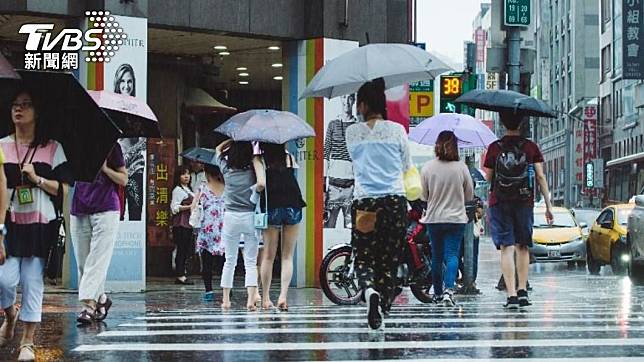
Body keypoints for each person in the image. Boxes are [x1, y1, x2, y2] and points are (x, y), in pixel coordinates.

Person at [0, 89, 72, 361]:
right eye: (15, 105)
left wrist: (38, 179)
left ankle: (27, 342)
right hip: (8, 223)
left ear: (37, 112)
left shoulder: (52, 148)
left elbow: (64, 189)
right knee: (4, 280)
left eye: (26, 105)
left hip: (41, 225)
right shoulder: (2, 146)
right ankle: (9, 315)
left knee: (32, 283)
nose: (19, 110)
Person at [345, 78, 411, 330]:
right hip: (394, 201)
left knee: (364, 255)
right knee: (389, 258)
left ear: (362, 104)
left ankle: (369, 291)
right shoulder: (397, 131)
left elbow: (355, 162)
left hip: (365, 202)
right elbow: (406, 166)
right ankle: (383, 303)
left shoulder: (352, 133)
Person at [483, 111, 553, 310]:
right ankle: (523, 291)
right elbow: (540, 177)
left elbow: (488, 178)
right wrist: (548, 205)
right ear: (522, 124)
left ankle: (511, 295)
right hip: (524, 201)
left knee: (507, 247)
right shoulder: (530, 147)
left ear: (503, 124)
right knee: (523, 246)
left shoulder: (494, 148)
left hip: (500, 201)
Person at [70, 144, 128, 324]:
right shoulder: (74, 147)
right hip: (79, 207)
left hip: (106, 208)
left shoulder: (111, 146)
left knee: (96, 261)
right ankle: (102, 299)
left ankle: (88, 306)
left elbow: (123, 179)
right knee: (83, 263)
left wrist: (104, 169)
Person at [420, 131, 474, 307]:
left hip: (434, 218)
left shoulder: (427, 167)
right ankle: (448, 291)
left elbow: (424, 196)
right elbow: (469, 195)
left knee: (436, 257)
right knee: (452, 255)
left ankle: (436, 293)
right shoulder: (461, 167)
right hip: (456, 218)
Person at [214, 139, 265, 311]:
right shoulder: (252, 170)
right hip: (250, 216)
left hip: (230, 217)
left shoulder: (226, 169)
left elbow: (218, 149)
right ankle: (250, 300)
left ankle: (226, 300)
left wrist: (230, 141)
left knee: (230, 261)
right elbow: (261, 184)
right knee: (250, 262)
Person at [258, 143, 306, 311]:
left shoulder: (261, 160)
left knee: (268, 256)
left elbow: (259, 183)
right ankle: (283, 297)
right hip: (293, 204)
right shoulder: (289, 158)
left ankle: (265, 298)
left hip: (271, 206)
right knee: (287, 256)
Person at [192, 164, 226, 302]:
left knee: (207, 262)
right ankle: (226, 290)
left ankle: (209, 291)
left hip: (207, 230)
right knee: (225, 262)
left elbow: (194, 207)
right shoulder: (226, 188)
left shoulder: (202, 189)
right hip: (224, 229)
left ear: (206, 173)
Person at [323, 93, 356, 229]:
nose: (346, 101)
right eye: (344, 97)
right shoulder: (333, 124)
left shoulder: (357, 127)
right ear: (340, 99)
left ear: (354, 100)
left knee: (350, 228)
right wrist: (323, 185)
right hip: (333, 185)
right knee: (329, 225)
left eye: (350, 97)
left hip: (351, 185)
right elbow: (326, 153)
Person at [171, 166, 194, 285]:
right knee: (181, 250)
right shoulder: (178, 190)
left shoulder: (188, 189)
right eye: (183, 174)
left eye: (188, 174)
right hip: (180, 224)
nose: (186, 176)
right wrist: (189, 207)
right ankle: (180, 275)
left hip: (188, 223)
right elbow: (174, 208)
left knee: (185, 250)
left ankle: (182, 273)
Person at [118, 137, 145, 221]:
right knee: (118, 205)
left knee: (135, 206)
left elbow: (144, 143)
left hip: (135, 169)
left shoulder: (140, 136)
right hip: (118, 171)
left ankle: (135, 228)